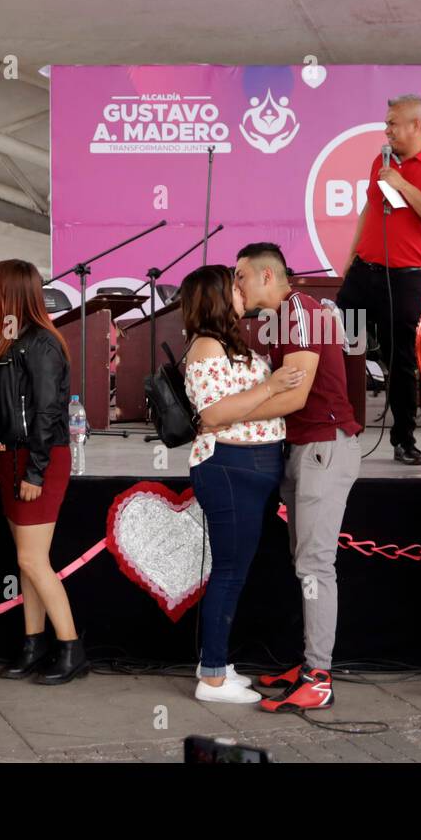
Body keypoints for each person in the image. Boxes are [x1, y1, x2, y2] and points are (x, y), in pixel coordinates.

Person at [231, 242, 363, 712]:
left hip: (324, 449)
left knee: (314, 566)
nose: (236, 285)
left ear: (267, 276)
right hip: (307, 450)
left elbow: (294, 394)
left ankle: (318, 676)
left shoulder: (300, 313)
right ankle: (307, 664)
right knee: (304, 563)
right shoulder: (286, 318)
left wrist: (227, 416)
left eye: (241, 276)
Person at [181, 264, 304, 704]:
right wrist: (271, 387)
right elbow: (213, 414)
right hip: (230, 464)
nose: (241, 291)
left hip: (248, 463)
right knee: (229, 573)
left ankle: (216, 663)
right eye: (233, 286)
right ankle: (212, 676)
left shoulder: (226, 341)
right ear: (215, 296)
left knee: (234, 571)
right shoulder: (206, 346)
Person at [337, 94, 421, 465]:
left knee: (401, 362)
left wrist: (403, 184)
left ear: (416, 126)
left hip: (405, 282)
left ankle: (403, 440)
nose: (386, 129)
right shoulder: (381, 160)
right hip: (364, 275)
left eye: (393, 123)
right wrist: (349, 259)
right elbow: (369, 209)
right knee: (333, 345)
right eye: (386, 122)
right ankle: (331, 430)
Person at [0, 259, 88, 685]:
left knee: (31, 559)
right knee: (27, 561)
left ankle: (71, 648)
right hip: (14, 457)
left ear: (9, 292)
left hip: (37, 459)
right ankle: (34, 644)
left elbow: (48, 412)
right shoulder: (11, 341)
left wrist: (36, 472)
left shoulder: (41, 342)